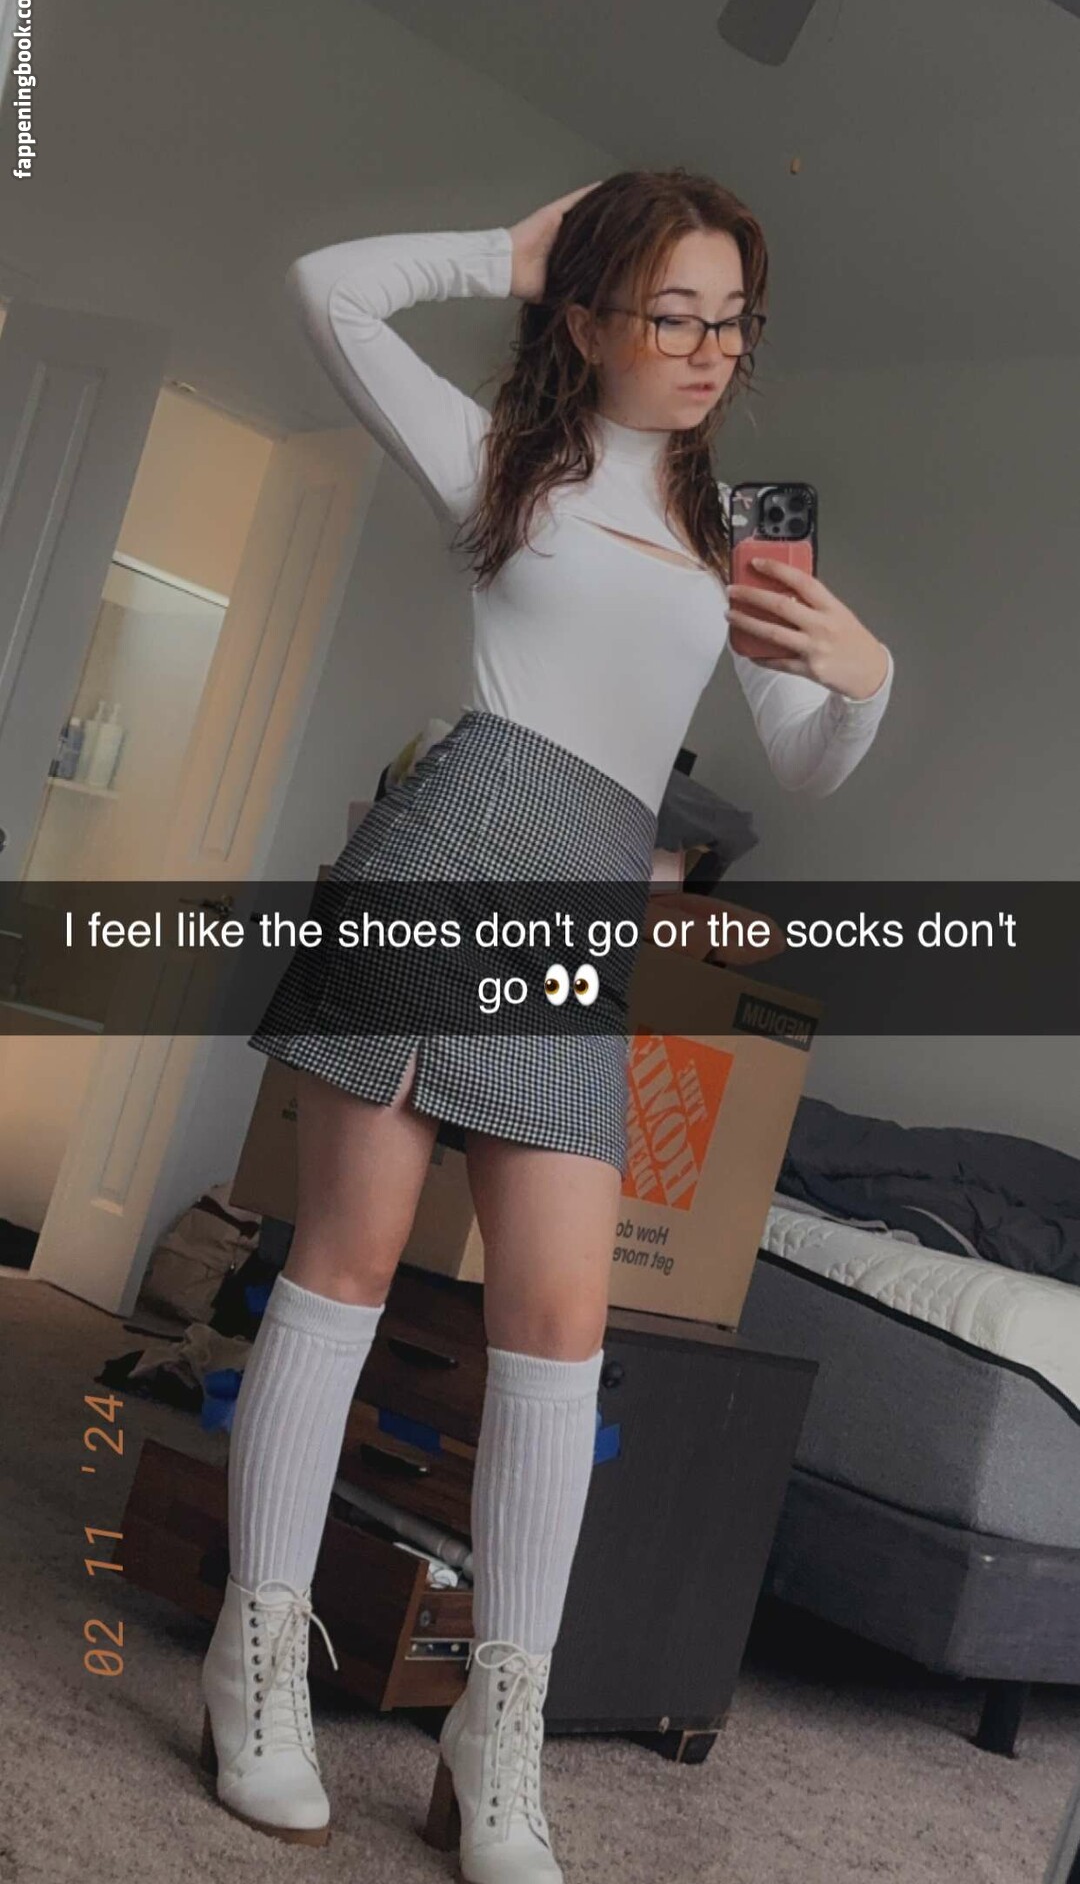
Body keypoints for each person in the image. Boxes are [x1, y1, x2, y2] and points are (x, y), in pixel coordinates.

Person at [198, 169, 894, 1876]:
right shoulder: (505, 465)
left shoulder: (737, 538)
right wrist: (506, 253)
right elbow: (325, 283)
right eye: (673, 313)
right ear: (585, 320)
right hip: (450, 861)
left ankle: (494, 1728)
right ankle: (256, 1660)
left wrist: (866, 681)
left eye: (732, 320)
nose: (710, 349)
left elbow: (804, 760)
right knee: (348, 1265)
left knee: (564, 1326)